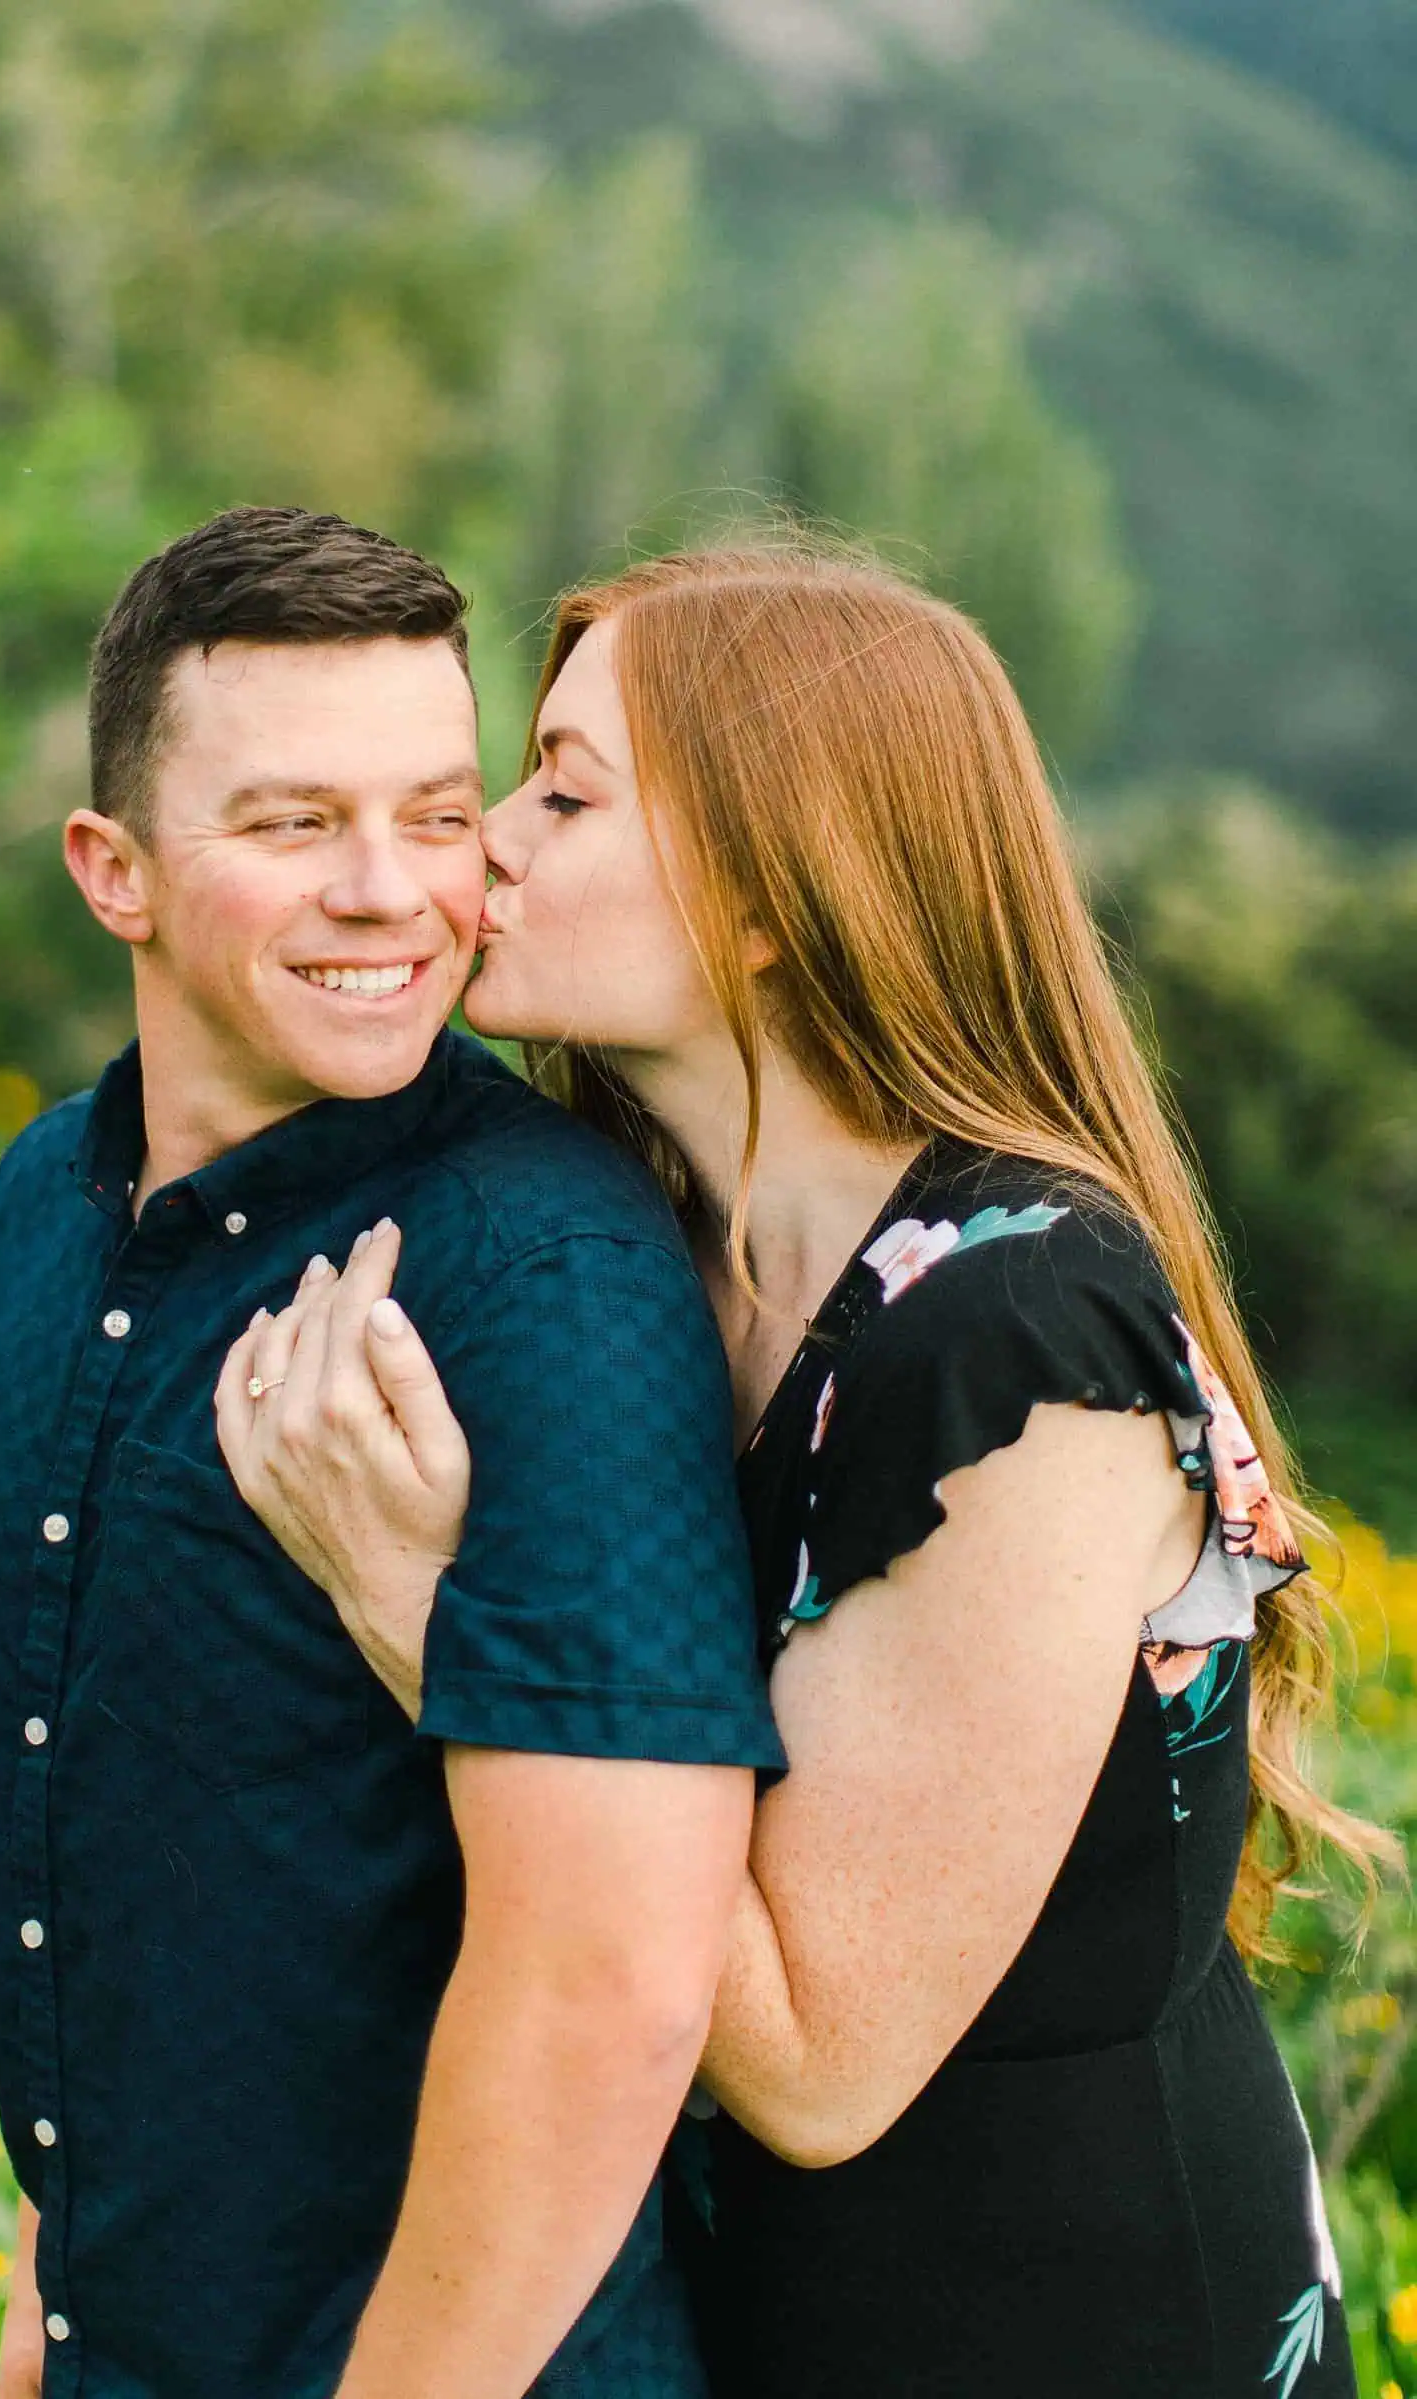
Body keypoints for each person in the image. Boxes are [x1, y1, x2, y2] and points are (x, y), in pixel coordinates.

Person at [223, 542, 1394, 2397]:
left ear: (777, 892)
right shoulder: (636, 1258)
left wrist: (414, 1597)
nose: (488, 839)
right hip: (743, 2323)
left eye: (565, 790)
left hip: (1067, 2334)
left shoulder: (1018, 1337)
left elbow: (813, 2062)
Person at [0, 507, 783, 2399]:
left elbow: (614, 1987)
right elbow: (102, 1798)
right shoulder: (36, 1210)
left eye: (434, 809)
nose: (392, 888)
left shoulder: (539, 1273)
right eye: (293, 822)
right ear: (116, 870)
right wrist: (47, 2275)